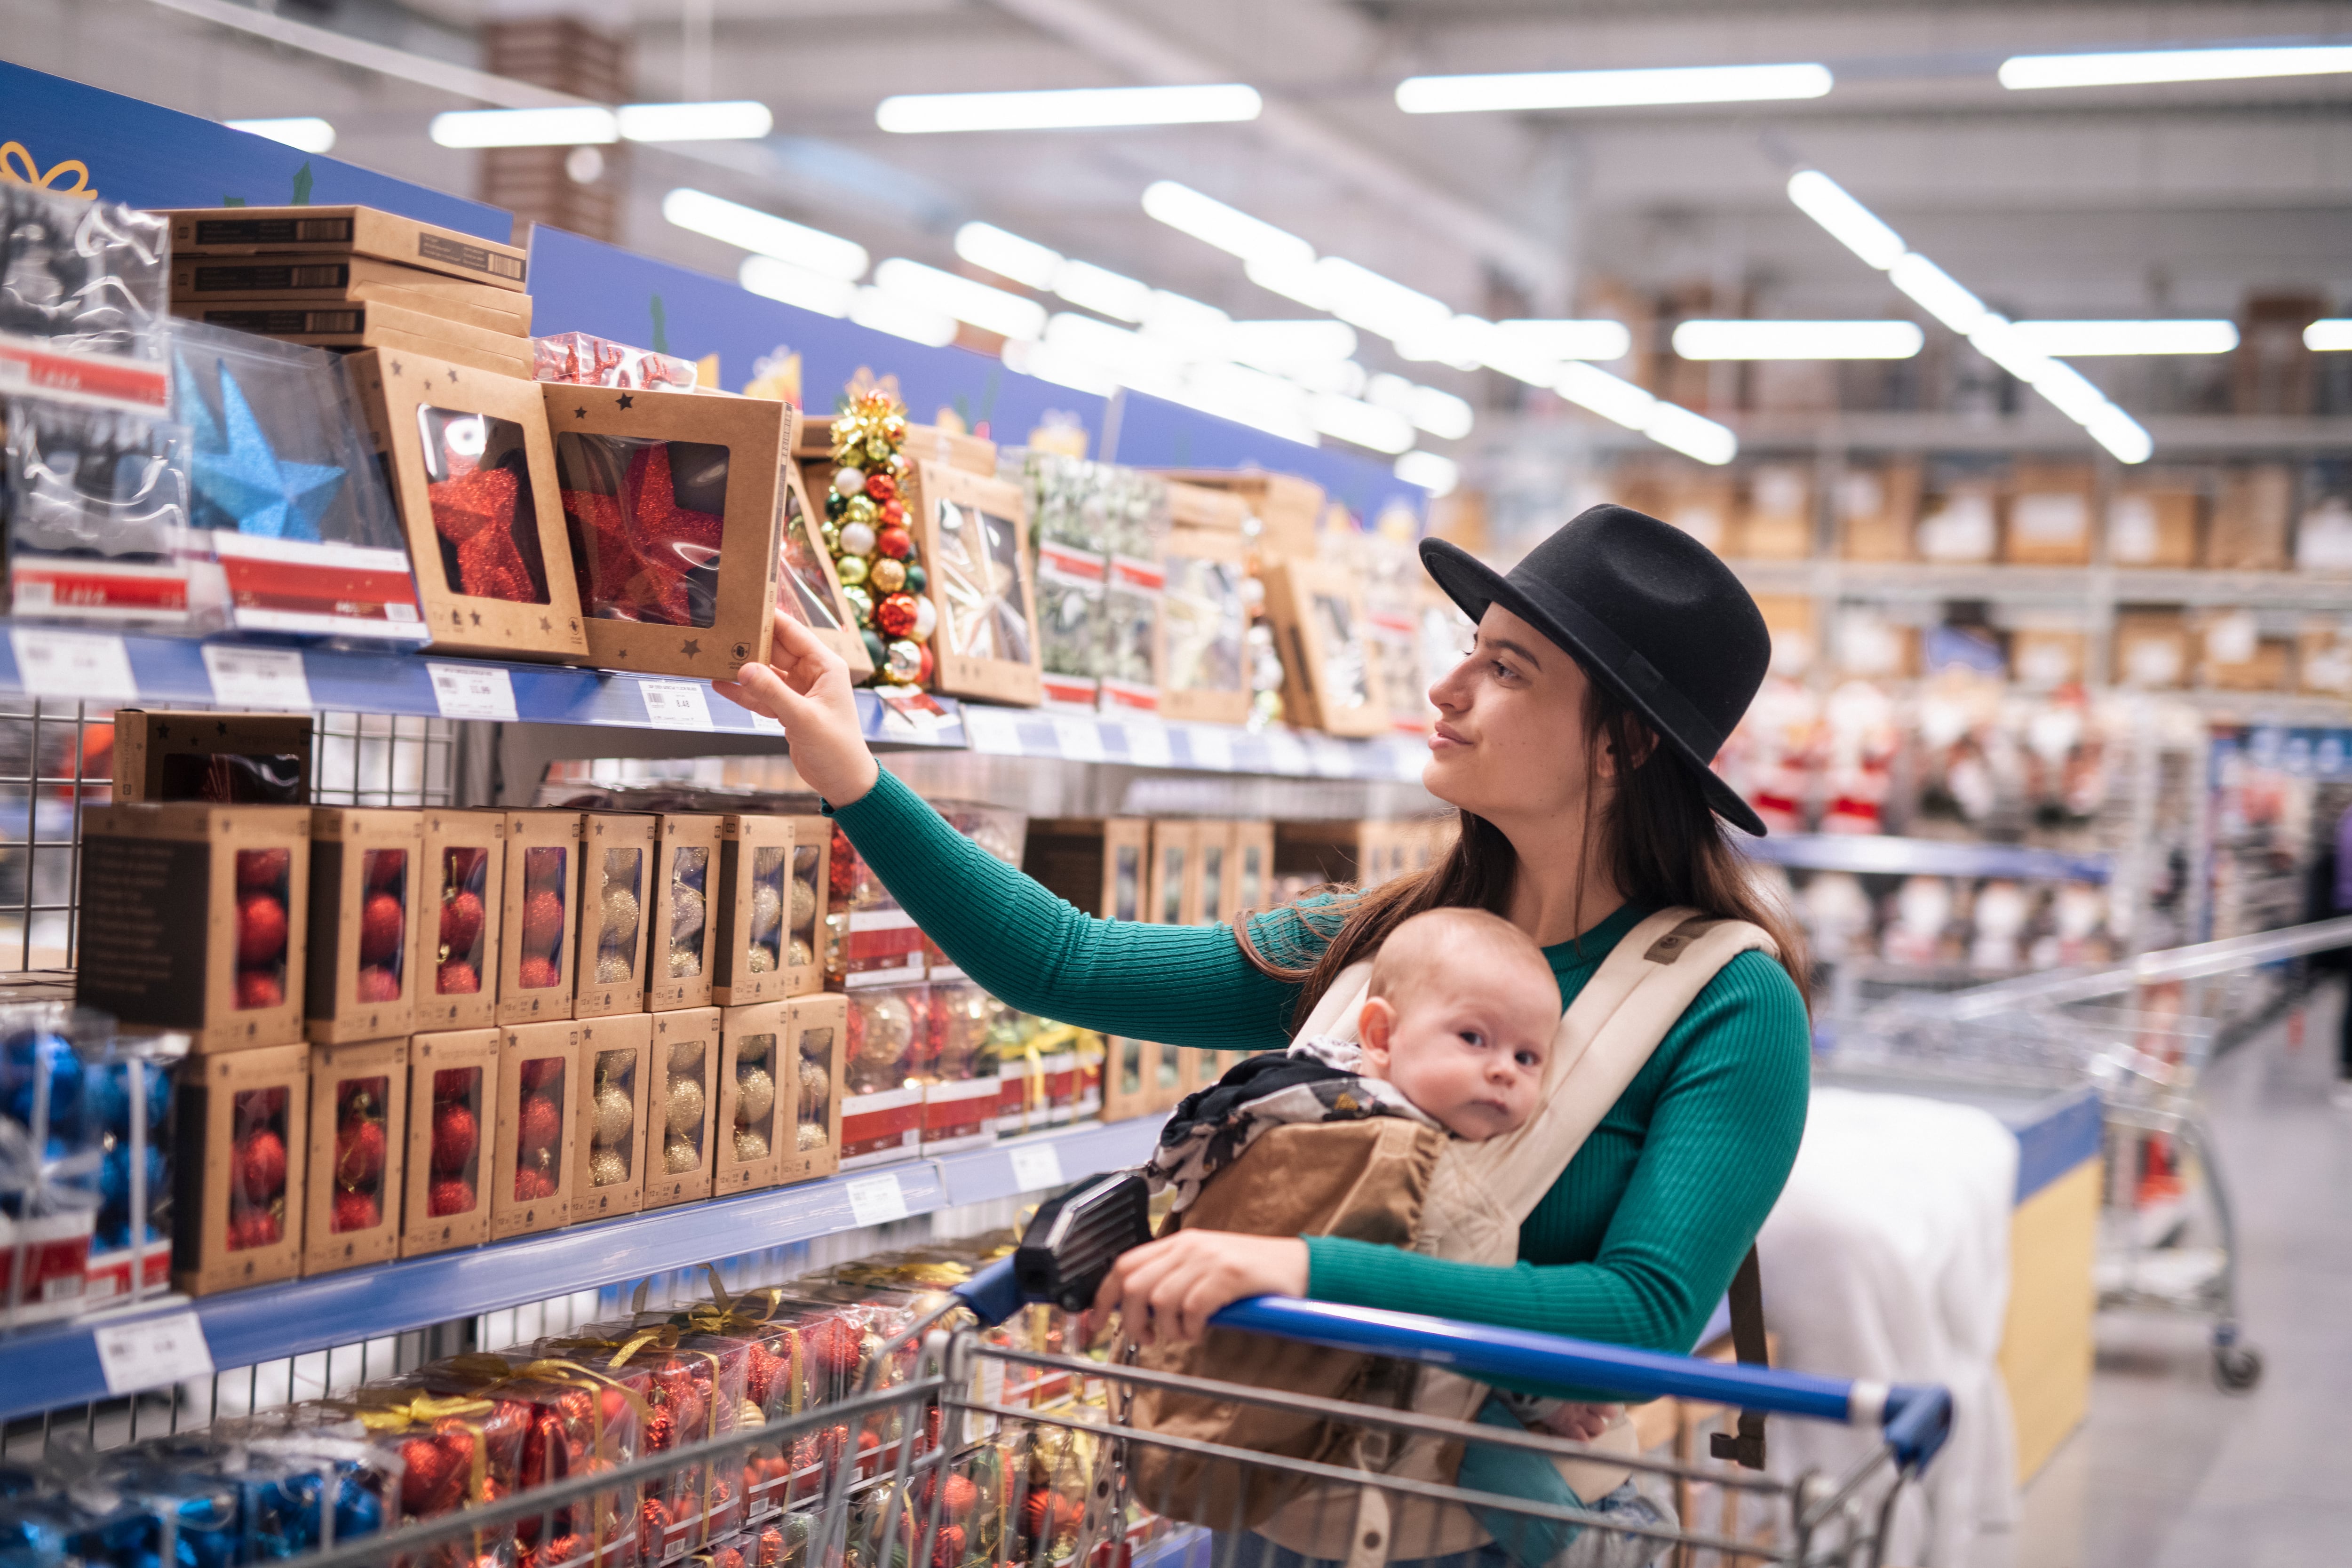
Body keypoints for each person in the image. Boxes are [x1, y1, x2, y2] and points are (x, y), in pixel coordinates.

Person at [718, 503, 1813, 1564]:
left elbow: (1638, 1322)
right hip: (1284, 1517)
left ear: (1621, 741)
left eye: (1508, 667)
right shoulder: (1386, 937)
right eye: (1469, 648)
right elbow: (1068, 960)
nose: (1447, 685)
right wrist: (849, 772)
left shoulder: (1728, 1004)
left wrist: (1296, 1265)